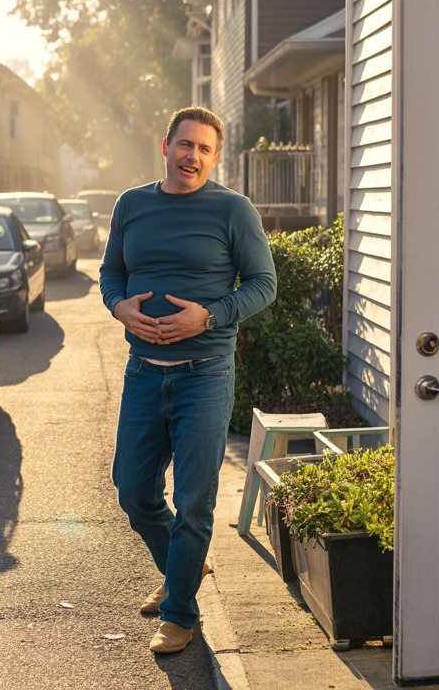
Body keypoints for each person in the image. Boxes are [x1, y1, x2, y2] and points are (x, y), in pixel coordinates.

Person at [98, 106, 277, 654]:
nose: (192, 156)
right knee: (133, 493)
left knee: (195, 499)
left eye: (204, 149)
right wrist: (118, 307)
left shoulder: (232, 210)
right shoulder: (132, 204)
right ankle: (185, 570)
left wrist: (210, 315)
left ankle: (179, 613)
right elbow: (111, 272)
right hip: (143, 373)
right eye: (185, 145)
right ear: (165, 146)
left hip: (206, 373)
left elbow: (264, 284)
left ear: (214, 157)